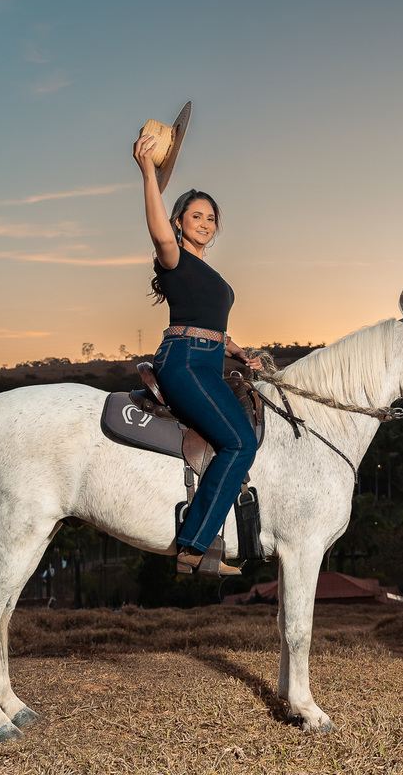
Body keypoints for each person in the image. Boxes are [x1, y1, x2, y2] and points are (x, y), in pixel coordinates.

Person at [133, 131, 263, 576]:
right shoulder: (174, 258)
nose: (205, 223)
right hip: (184, 361)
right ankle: (195, 546)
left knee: (243, 435)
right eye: (196, 216)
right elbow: (156, 231)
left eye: (210, 217)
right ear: (179, 221)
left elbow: (215, 326)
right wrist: (149, 171)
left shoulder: (208, 273)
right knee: (240, 441)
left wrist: (240, 352)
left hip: (208, 358)